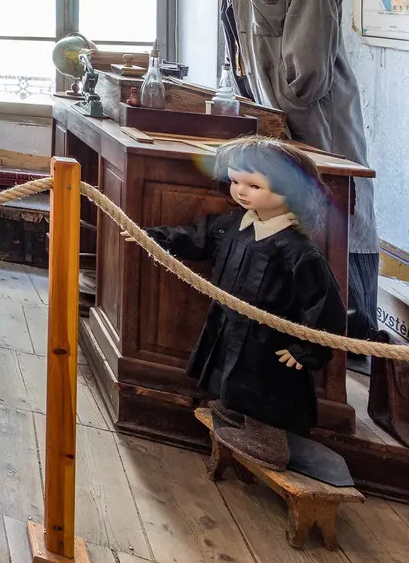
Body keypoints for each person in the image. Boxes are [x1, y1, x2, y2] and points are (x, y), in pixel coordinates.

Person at [213, 0, 377, 350]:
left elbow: (307, 68)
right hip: (274, 119)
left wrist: (285, 114)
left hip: (312, 121)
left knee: (340, 216)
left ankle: (352, 331)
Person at [138, 137, 346, 470]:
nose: (240, 191)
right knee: (228, 376)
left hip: (268, 343)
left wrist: (307, 350)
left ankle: (271, 444)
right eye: (235, 181)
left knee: (263, 391)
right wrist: (151, 237)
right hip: (228, 323)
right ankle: (235, 415)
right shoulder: (233, 226)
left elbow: (325, 306)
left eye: (253, 185)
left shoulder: (298, 251)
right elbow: (195, 237)